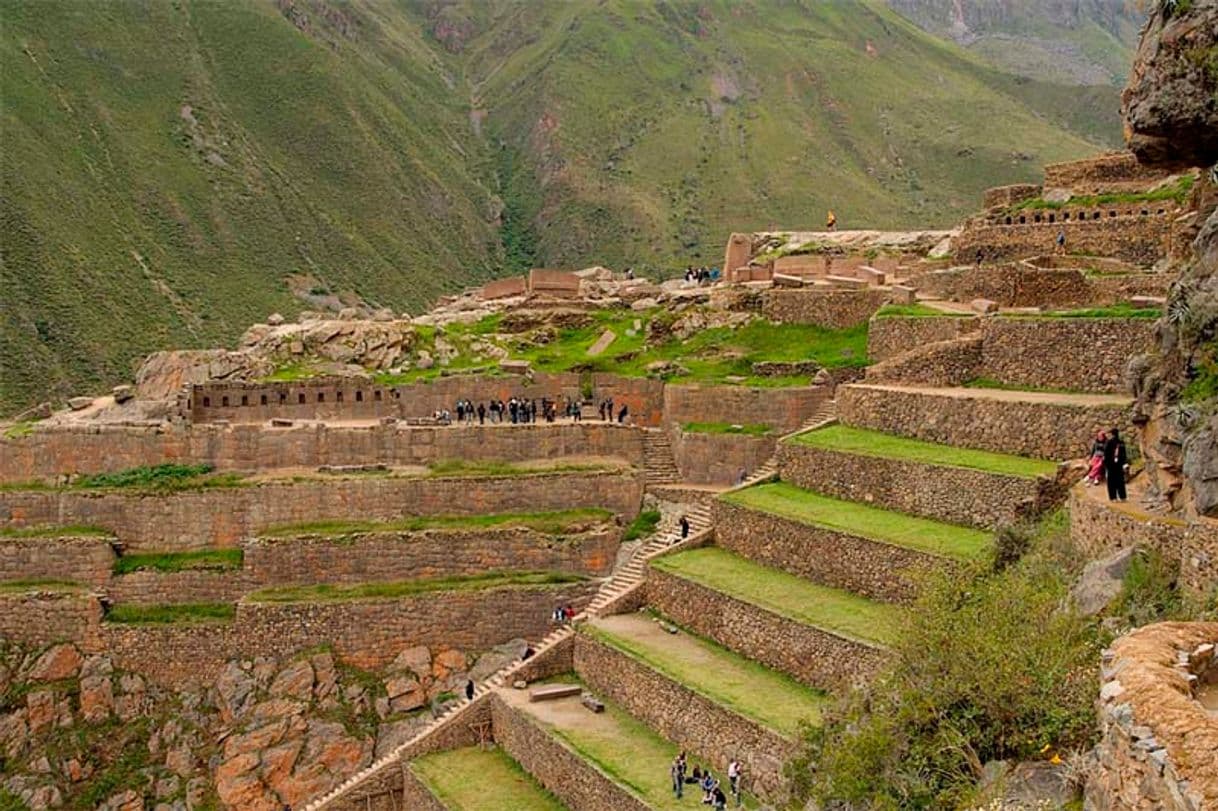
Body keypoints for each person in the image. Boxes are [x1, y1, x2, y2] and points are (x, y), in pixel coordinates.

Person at [1104, 428, 1129, 502]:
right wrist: (1124, 462)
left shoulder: (1109, 442)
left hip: (1112, 464)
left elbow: (1106, 454)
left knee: (1112, 481)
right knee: (1120, 480)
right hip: (1118, 464)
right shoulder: (1121, 442)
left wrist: (1106, 465)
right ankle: (1122, 497)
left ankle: (1113, 497)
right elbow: (1124, 454)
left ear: (1112, 434)